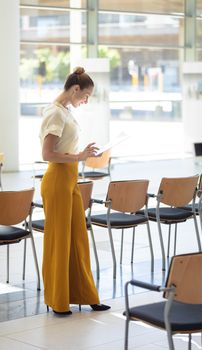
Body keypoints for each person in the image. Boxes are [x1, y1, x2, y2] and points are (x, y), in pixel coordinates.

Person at [39, 66, 110, 315]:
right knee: (60, 241)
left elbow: (67, 148)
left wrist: (84, 154)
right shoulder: (55, 113)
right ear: (75, 88)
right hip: (57, 180)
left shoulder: (66, 112)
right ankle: (58, 300)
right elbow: (47, 154)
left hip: (69, 180)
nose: (86, 100)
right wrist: (79, 156)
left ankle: (86, 294)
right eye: (85, 95)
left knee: (78, 239)